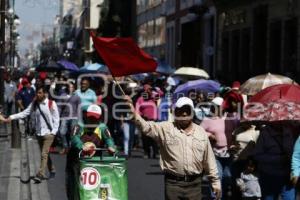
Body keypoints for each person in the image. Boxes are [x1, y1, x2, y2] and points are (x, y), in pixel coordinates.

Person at [125, 95, 221, 200]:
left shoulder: (201, 132)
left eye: (187, 110)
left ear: (193, 113)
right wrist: (132, 110)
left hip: (195, 186)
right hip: (173, 185)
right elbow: (145, 126)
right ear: (175, 113)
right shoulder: (165, 128)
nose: (184, 114)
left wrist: (215, 182)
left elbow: (209, 159)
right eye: (181, 110)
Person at [2, 86, 60, 183]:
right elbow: (25, 113)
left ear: (45, 94)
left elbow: (56, 119)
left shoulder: (51, 104)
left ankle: (40, 174)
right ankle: (52, 170)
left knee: (44, 154)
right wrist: (11, 117)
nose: (38, 95)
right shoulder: (34, 103)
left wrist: (53, 132)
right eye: (37, 93)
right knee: (45, 154)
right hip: (39, 133)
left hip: (49, 134)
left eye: (40, 93)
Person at [66, 104, 115, 200]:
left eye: (94, 118)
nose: (92, 120)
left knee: (97, 185)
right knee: (74, 187)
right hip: (77, 161)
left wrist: (111, 147)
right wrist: (81, 146)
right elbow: (74, 137)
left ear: (99, 118)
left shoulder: (102, 128)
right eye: (90, 117)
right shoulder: (79, 126)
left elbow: (109, 139)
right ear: (86, 116)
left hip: (94, 162)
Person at [253, 122, 296, 200]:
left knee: (289, 198)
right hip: (269, 175)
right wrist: (278, 159)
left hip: (287, 175)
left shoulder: (290, 132)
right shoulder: (265, 133)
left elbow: (295, 152)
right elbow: (257, 155)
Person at [135, 84, 159, 159]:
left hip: (154, 120)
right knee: (145, 137)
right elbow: (137, 110)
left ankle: (155, 153)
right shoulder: (140, 99)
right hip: (144, 120)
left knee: (154, 137)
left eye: (150, 89)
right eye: (147, 89)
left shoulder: (154, 98)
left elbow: (161, 93)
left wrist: (155, 89)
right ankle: (146, 152)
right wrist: (141, 116)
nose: (149, 91)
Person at [58, 82, 81, 154]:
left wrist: (79, 119)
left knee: (73, 133)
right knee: (62, 132)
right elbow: (59, 107)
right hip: (64, 117)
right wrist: (58, 116)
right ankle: (65, 146)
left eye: (72, 87)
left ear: (74, 88)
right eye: (69, 87)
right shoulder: (62, 95)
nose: (70, 88)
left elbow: (79, 108)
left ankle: (71, 148)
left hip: (74, 117)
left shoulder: (77, 96)